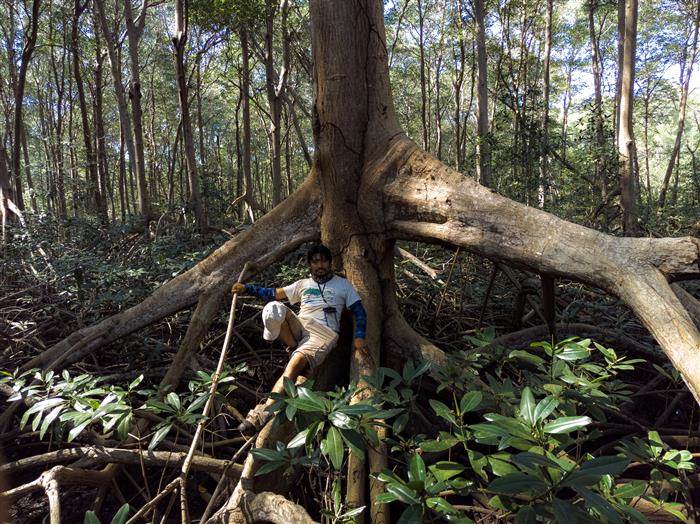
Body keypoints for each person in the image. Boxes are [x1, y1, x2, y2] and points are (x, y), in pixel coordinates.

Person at [231, 244, 367, 434]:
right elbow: (273, 294)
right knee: (273, 308)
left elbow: (359, 311)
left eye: (323, 261)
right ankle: (291, 345)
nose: (320, 265)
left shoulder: (343, 285)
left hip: (324, 333)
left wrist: (359, 336)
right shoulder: (303, 284)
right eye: (315, 261)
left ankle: (262, 414)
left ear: (330, 263)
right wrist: (247, 288)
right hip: (301, 327)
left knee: (293, 364)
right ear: (310, 265)